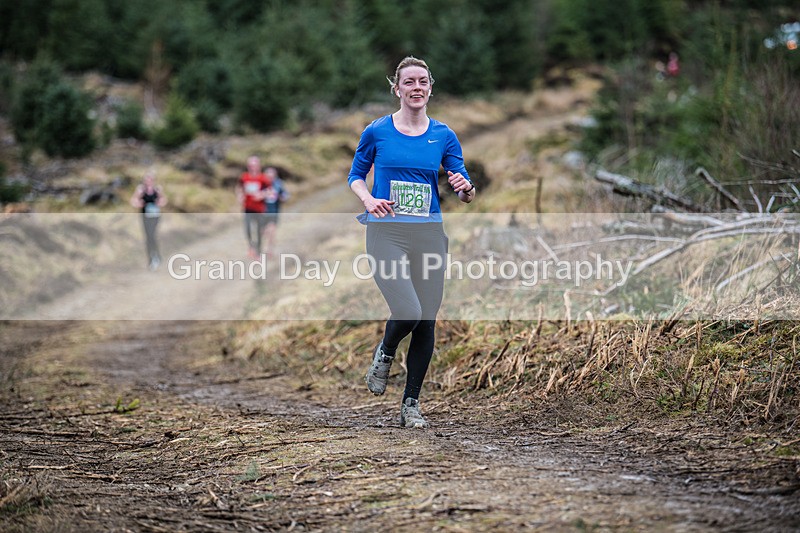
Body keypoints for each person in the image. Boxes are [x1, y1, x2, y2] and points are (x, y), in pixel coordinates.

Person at [347, 56, 475, 428]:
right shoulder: (378, 131)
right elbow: (356, 175)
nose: (416, 88)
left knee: (427, 321)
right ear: (397, 89)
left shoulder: (444, 135)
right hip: (386, 230)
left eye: (422, 81)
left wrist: (464, 188)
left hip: (429, 233)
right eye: (409, 82)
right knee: (408, 311)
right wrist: (369, 199)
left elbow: (464, 186)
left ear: (430, 87)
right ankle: (385, 353)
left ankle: (411, 405)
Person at [130, 170, 167, 270]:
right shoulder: (141, 190)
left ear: (153, 180)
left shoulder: (157, 189)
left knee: (152, 235)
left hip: (155, 216)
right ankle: (152, 258)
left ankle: (156, 256)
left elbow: (164, 200)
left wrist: (159, 202)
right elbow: (133, 200)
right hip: (145, 216)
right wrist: (139, 203)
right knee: (148, 237)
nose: (148, 181)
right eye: (147, 180)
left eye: (150, 179)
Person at [235, 156, 270, 259]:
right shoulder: (244, 177)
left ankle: (258, 252)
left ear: (259, 166)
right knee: (248, 230)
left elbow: (270, 191)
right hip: (247, 208)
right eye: (250, 165)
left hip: (259, 209)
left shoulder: (263, 178)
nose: (252, 167)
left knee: (259, 231)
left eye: (254, 165)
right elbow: (238, 187)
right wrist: (239, 195)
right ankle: (251, 248)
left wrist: (261, 195)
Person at [262, 166, 290, 257]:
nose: (270, 176)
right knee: (263, 231)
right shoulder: (261, 184)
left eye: (272, 174)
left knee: (272, 231)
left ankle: (269, 250)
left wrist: (283, 198)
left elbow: (285, 195)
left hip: (274, 211)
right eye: (268, 174)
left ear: (275, 175)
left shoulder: (278, 184)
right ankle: (262, 248)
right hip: (262, 212)